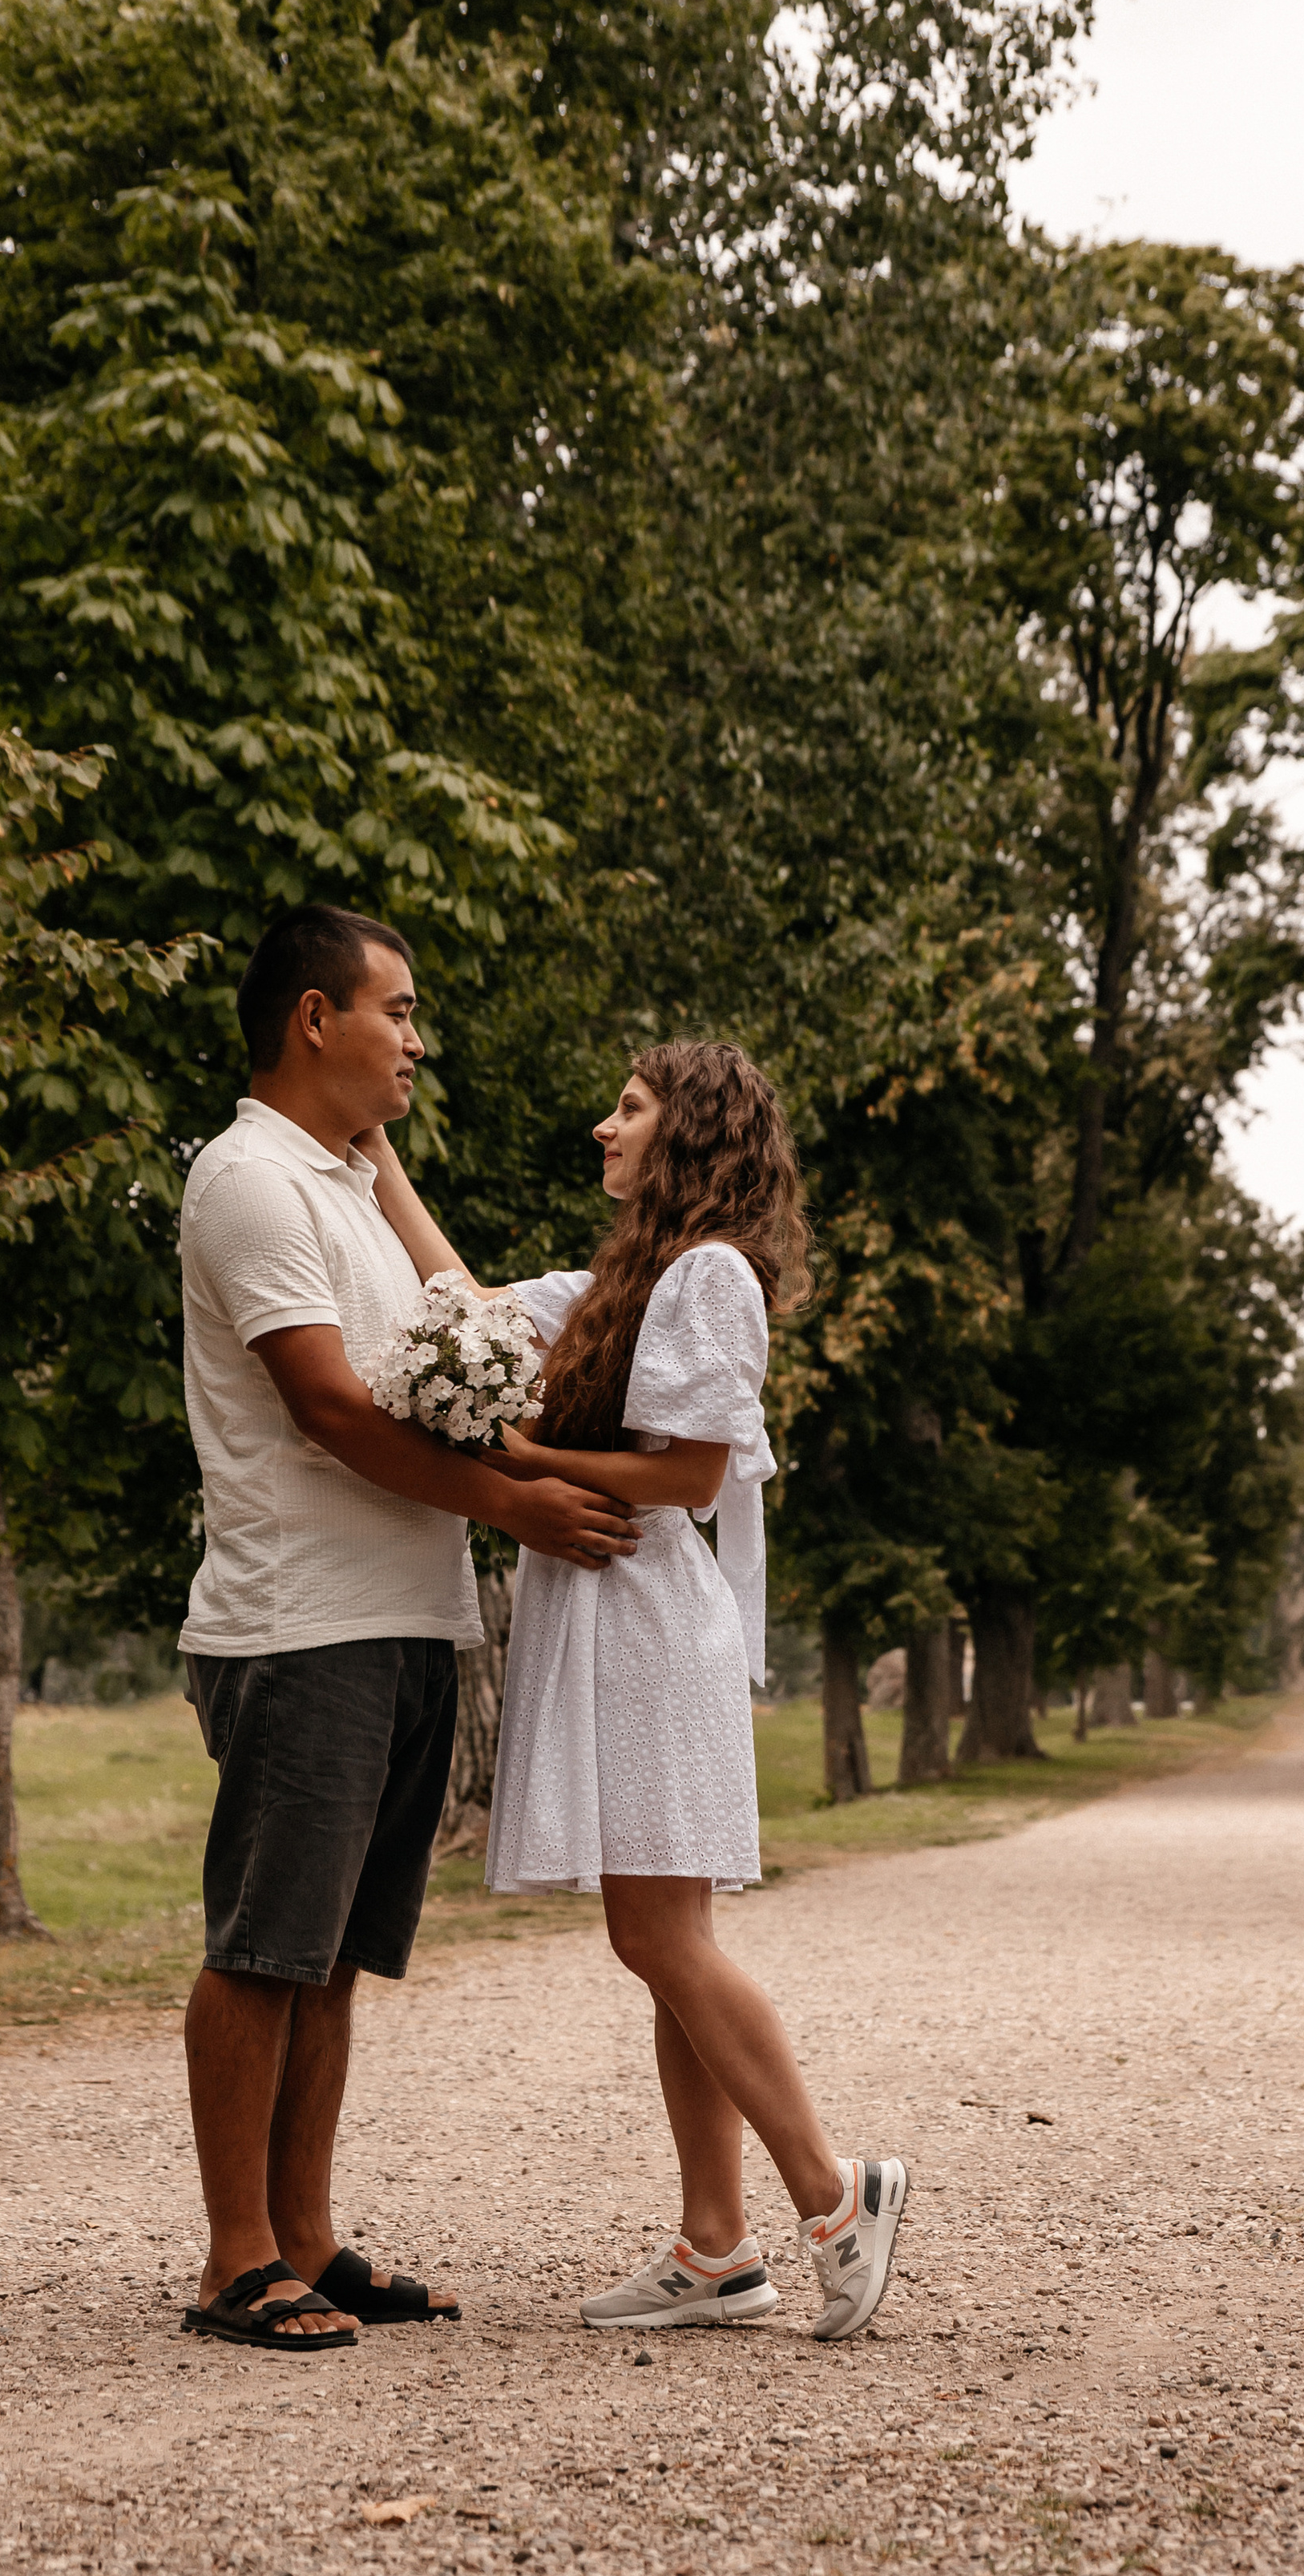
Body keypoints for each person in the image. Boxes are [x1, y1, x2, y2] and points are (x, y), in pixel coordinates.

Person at [373, 1041, 909, 2343]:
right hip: (604, 1614)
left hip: (651, 1619)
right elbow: (470, 1304)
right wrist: (376, 1160)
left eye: (627, 1107)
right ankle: (717, 2249)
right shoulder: (627, 1276)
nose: (601, 1125)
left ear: (691, 1131)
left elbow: (691, 1475)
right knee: (668, 1948)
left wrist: (514, 1455)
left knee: (655, 1938)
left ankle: (837, 2195)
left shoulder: (712, 1275)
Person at [174, 905, 638, 2352]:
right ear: (317, 1020)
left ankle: (305, 2235)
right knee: (266, 1946)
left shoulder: (350, 1182)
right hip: (300, 1624)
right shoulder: (248, 1183)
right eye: (400, 1010)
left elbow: (464, 1335)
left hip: (405, 1619)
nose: (418, 1039)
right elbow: (323, 1407)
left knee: (335, 1953)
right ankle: (234, 2256)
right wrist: (516, 1511)